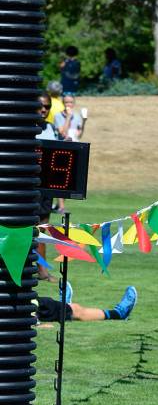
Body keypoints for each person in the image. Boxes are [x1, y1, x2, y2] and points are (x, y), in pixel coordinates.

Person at [36, 93, 63, 280]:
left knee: (42, 228)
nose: (44, 110)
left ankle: (42, 271)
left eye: (47, 106)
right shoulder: (21, 128)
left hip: (46, 186)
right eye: (41, 106)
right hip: (27, 186)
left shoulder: (51, 129)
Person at [36, 282, 138, 325]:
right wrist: (38, 324)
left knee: (70, 309)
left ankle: (64, 305)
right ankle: (118, 314)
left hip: (29, 303)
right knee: (76, 310)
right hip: (29, 308)